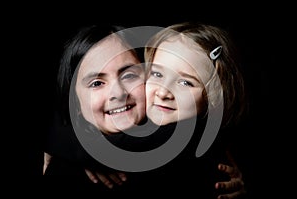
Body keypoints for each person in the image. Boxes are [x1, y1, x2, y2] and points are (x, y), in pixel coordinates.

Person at [43, 23, 246, 198]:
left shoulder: (188, 137)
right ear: (74, 102)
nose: (118, 93)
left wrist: (55, 141)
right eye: (97, 83)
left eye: (129, 75)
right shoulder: (65, 172)